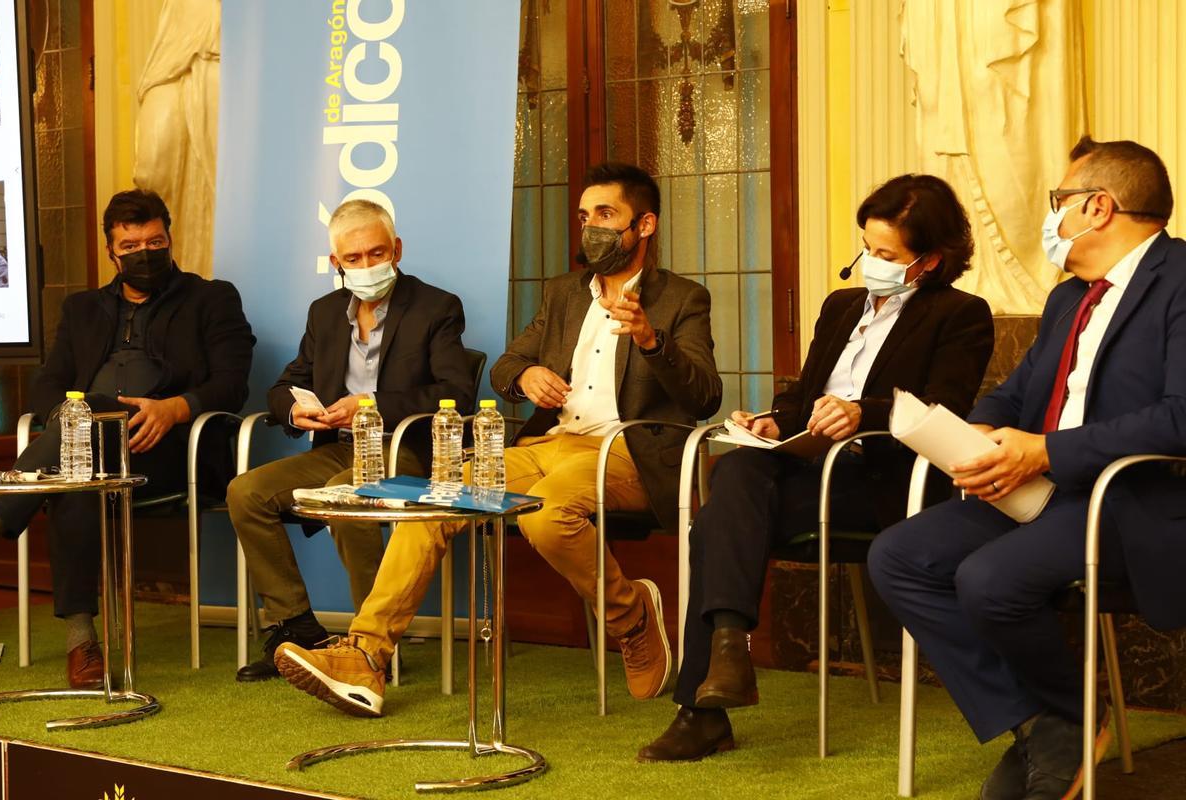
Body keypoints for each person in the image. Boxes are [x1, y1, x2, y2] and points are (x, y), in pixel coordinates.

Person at [273, 162, 723, 717]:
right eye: (584, 217)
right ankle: (365, 656)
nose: (590, 228)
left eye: (605, 215)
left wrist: (652, 341)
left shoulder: (681, 298)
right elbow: (508, 363)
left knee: (545, 513)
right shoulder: (564, 293)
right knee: (437, 497)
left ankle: (629, 615)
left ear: (644, 225)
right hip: (548, 443)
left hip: (627, 450)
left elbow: (704, 396)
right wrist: (525, 376)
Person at [868, 137, 1186, 800]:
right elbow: (1020, 391)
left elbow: (1180, 418)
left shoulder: (1180, 282)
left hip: (1123, 500)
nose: (1054, 218)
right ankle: (1047, 722)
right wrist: (980, 427)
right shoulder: (1072, 297)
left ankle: (1061, 722)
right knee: (900, 556)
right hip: (1035, 491)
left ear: (1099, 208)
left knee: (989, 579)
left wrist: (1047, 451)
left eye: (1058, 202)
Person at [638, 174, 994, 762]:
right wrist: (776, 422)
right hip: (809, 470)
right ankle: (726, 652)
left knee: (722, 514)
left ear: (928, 261)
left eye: (886, 255)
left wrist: (863, 414)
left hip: (882, 482)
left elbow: (944, 413)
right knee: (736, 471)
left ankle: (709, 698)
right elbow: (806, 397)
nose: (869, 262)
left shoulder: (959, 314)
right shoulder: (841, 305)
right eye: (866, 246)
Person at [0, 188, 255, 688]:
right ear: (111, 252)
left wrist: (176, 408)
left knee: (83, 434)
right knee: (79, 456)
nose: (144, 254)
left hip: (172, 449)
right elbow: (48, 383)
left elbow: (232, 381)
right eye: (130, 247)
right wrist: (73, 421)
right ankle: (82, 643)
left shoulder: (212, 299)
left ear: (170, 239)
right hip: (92, 451)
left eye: (154, 242)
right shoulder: (83, 309)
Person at [225, 199, 475, 682]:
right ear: (336, 262)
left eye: (376, 253)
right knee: (246, 492)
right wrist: (294, 409)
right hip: (342, 448)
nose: (367, 266)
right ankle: (296, 628)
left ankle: (368, 647)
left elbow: (455, 393)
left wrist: (371, 403)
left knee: (350, 489)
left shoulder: (436, 307)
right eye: (354, 259)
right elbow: (285, 383)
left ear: (397, 250)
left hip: (406, 450)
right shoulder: (324, 313)